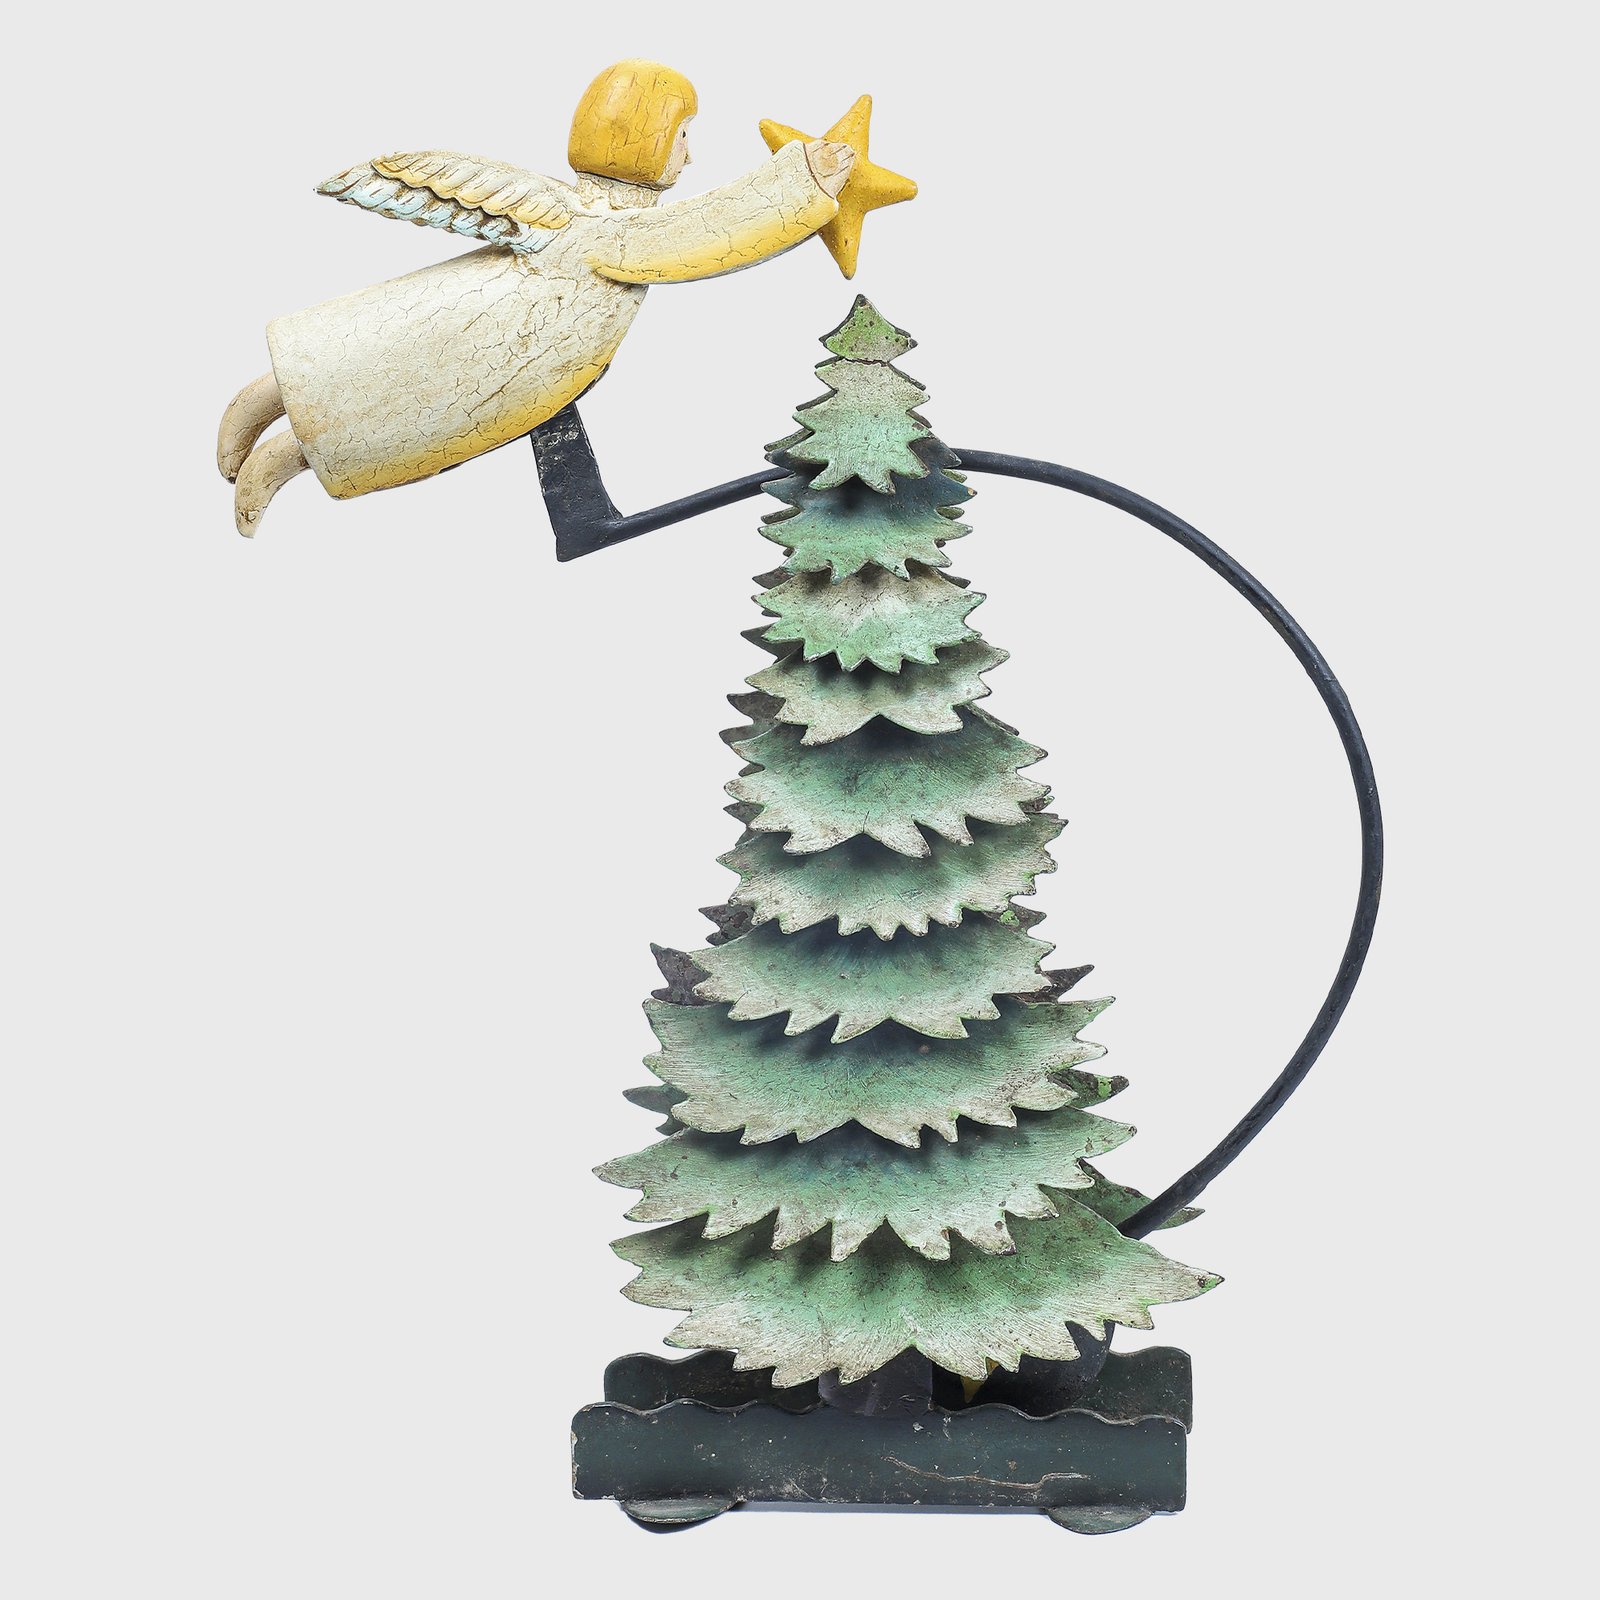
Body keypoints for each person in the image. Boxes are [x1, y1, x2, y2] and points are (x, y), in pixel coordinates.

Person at [217, 59, 855, 535]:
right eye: (683, 135)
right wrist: (805, 181)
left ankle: (258, 448)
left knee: (348, 381)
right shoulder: (609, 228)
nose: (690, 157)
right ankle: (262, 465)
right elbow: (707, 233)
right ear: (649, 139)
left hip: (474, 326)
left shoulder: (576, 210)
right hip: (489, 347)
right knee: (380, 408)